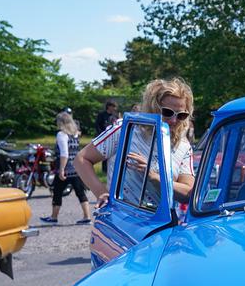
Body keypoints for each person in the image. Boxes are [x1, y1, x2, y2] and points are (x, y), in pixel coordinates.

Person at [74, 77, 198, 206]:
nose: (174, 120)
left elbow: (188, 192)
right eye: (167, 112)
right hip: (123, 219)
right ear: (153, 107)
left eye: (181, 115)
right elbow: (82, 159)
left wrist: (154, 177)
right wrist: (101, 193)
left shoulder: (183, 145)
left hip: (163, 222)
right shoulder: (125, 129)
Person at [40, 112, 92, 225]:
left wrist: (62, 169)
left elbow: (64, 153)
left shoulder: (61, 135)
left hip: (66, 169)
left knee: (57, 191)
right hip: (77, 168)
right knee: (80, 192)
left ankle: (54, 217)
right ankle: (87, 216)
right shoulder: (75, 134)